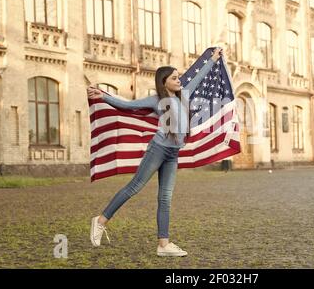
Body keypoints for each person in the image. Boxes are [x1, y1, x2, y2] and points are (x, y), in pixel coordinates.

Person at [87, 47, 223, 257]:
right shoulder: (155, 100)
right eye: (175, 78)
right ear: (164, 82)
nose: (179, 81)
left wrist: (212, 59)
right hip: (158, 149)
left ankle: (163, 245)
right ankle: (101, 220)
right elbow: (128, 105)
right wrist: (103, 97)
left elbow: (198, 77)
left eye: (179, 78)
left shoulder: (183, 97)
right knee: (135, 187)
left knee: (165, 198)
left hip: (173, 153)